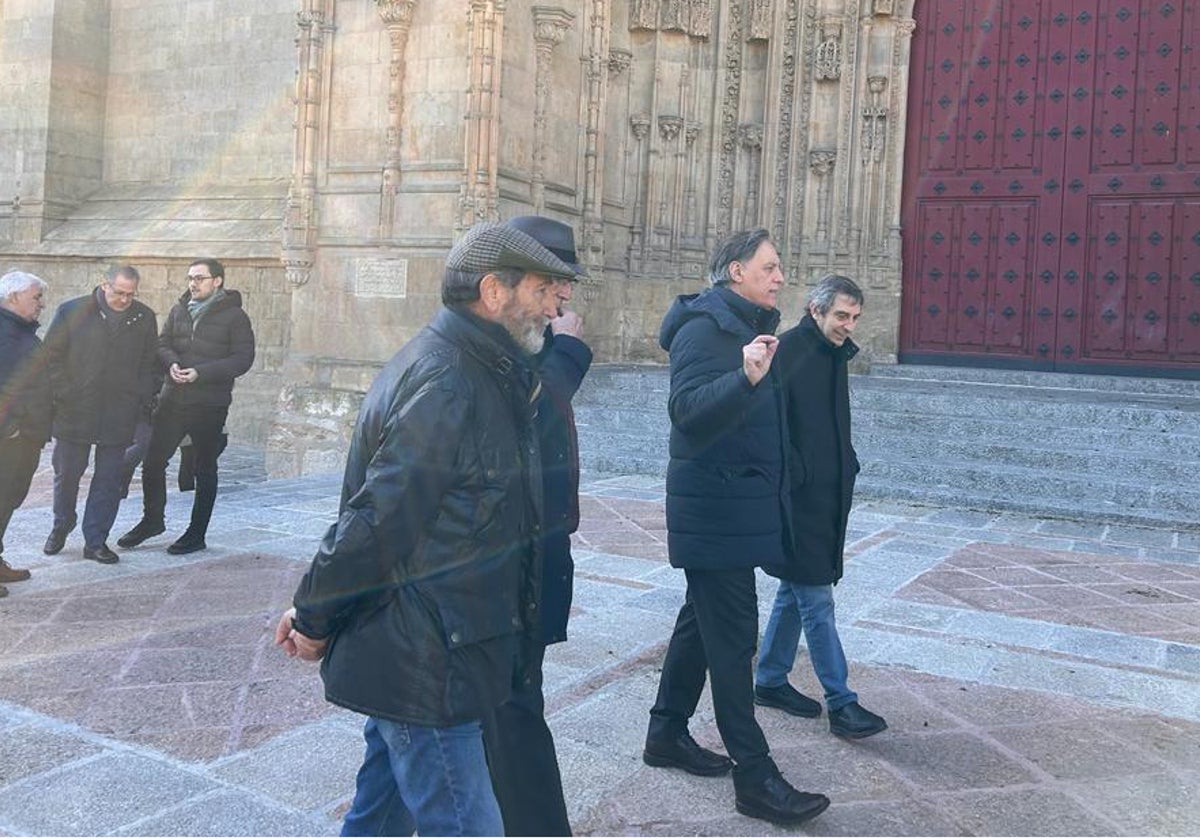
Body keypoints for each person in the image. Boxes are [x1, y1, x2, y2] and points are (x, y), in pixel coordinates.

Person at [273, 219, 574, 837]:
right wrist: (312, 616)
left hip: (441, 642)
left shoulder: (487, 368)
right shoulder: (449, 380)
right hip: (426, 655)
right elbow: (377, 521)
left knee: (378, 815)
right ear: (494, 291)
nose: (557, 304)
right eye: (546, 289)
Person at [643, 228, 830, 825]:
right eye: (770, 267)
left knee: (702, 624)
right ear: (735, 272)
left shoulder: (747, 326)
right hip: (714, 513)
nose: (779, 277)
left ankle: (666, 735)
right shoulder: (706, 330)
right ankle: (755, 778)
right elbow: (688, 414)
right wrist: (744, 378)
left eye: (780, 267)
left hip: (734, 510)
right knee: (732, 645)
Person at [481, 216, 592, 837]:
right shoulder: (485, 351)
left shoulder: (529, 344)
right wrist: (570, 351)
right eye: (553, 284)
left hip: (536, 556)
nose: (565, 299)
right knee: (513, 712)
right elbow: (521, 413)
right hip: (500, 573)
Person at [754, 275, 887, 739]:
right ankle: (842, 701)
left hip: (828, 497)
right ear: (815, 310)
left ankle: (769, 679)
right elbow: (768, 424)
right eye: (841, 316)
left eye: (854, 318)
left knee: (796, 591)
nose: (848, 325)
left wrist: (844, 465)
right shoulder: (788, 351)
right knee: (816, 599)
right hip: (799, 501)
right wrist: (798, 475)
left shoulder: (832, 354)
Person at [117, 259, 255, 555]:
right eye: (190, 278)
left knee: (204, 468)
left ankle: (196, 533)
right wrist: (172, 364)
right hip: (172, 399)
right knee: (153, 462)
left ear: (217, 281)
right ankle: (153, 520)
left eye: (200, 278)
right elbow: (162, 343)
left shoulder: (235, 317)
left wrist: (201, 372)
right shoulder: (180, 309)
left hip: (209, 404)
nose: (193, 283)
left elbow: (243, 359)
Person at [42, 266, 158, 564]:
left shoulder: (143, 316)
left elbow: (149, 362)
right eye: (119, 293)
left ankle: (95, 540)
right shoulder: (72, 311)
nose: (124, 300)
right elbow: (50, 357)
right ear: (104, 285)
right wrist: (64, 394)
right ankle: (61, 523)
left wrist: (141, 396)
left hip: (119, 411)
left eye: (131, 294)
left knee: (109, 479)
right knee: (66, 475)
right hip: (75, 410)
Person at [0, 270, 52, 595]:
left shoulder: (20, 331)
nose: (41, 304)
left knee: (8, 499)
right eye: (36, 297)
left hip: (25, 435)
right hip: (11, 438)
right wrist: (12, 427)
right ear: (13, 296)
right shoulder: (5, 333)